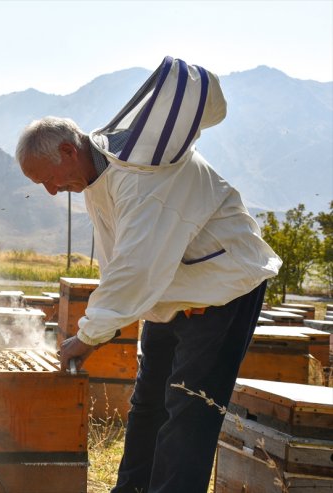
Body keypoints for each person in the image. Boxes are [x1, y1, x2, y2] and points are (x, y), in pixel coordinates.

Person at [15, 56, 281, 493]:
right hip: (172, 293)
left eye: (48, 178)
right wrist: (100, 324)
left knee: (187, 412)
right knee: (148, 406)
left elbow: (136, 268)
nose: (50, 190)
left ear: (67, 151)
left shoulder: (143, 177)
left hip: (222, 289)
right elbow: (119, 263)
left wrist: (89, 334)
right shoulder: (97, 177)